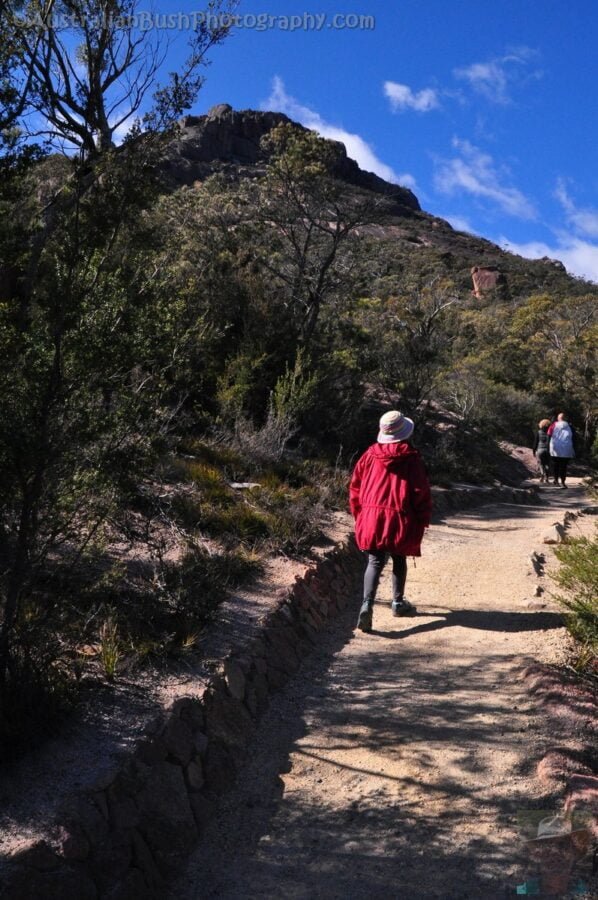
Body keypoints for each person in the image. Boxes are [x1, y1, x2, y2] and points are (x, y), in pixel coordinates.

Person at [349, 410, 432, 633]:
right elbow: (420, 491)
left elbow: (355, 486)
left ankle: (367, 603)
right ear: (405, 432)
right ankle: (398, 603)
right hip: (400, 517)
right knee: (398, 558)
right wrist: (423, 517)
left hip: (371, 515)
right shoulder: (411, 458)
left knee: (374, 561)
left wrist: (359, 513)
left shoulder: (369, 454)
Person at [548, 413, 575, 488]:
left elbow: (549, 435)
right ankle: (563, 482)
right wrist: (573, 448)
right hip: (566, 449)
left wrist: (548, 447)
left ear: (558, 418)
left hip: (555, 448)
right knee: (564, 466)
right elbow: (574, 438)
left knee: (555, 464)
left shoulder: (553, 425)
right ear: (565, 418)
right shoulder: (570, 426)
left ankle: (556, 480)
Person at [532, 418, 551, 483]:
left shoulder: (538, 432)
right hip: (548, 450)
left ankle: (542, 474)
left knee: (541, 464)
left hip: (540, 450)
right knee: (547, 464)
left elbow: (535, 442)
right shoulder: (550, 432)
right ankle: (547, 478)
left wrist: (534, 451)